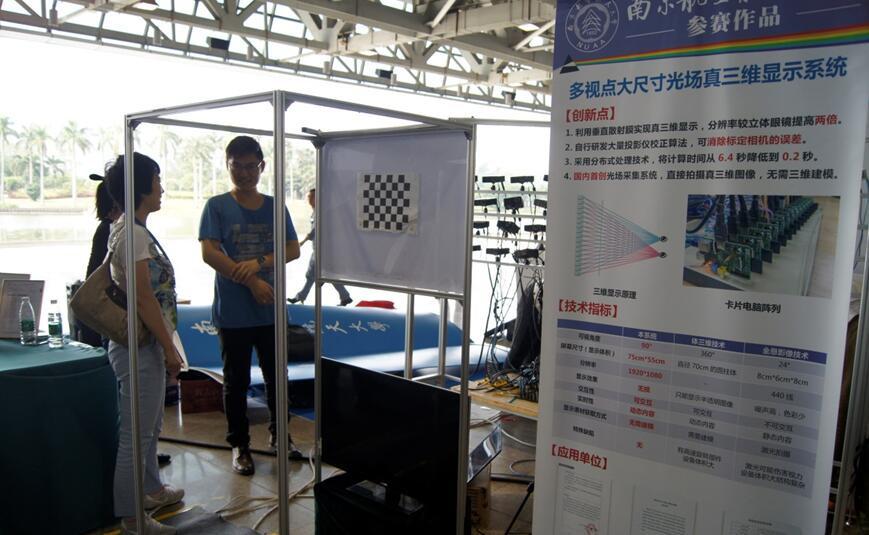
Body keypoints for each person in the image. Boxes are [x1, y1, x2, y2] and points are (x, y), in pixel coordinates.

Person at [198, 136, 302, 476]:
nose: (244, 173)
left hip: (271, 311)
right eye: (236, 166)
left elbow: (293, 249)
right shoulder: (216, 206)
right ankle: (239, 445)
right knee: (236, 382)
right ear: (227, 166)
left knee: (278, 378)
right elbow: (210, 253)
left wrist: (259, 263)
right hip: (233, 313)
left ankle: (280, 434)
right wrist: (252, 282)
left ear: (262, 166)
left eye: (250, 166)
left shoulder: (275, 206)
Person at [105, 153, 185, 535]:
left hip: (142, 342)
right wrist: (169, 349)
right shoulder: (133, 234)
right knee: (135, 437)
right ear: (140, 186)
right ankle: (133, 519)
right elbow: (144, 298)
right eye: (156, 180)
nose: (162, 188)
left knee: (149, 427)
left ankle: (151, 490)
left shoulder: (127, 227)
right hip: (139, 345)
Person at [289, 188, 352, 306]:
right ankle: (345, 296)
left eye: (312, 197)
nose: (309, 199)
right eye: (308, 197)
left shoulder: (321, 212)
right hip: (319, 249)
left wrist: (302, 241)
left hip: (321, 250)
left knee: (312, 274)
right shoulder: (316, 212)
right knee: (326, 274)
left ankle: (301, 296)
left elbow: (314, 230)